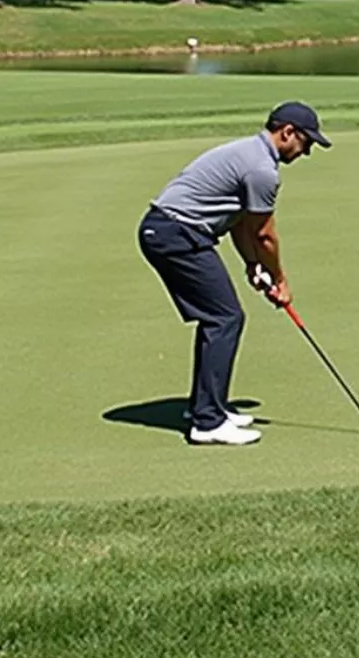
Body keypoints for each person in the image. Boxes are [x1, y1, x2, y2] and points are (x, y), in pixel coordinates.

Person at [137, 101, 331, 446]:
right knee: (224, 318)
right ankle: (207, 423)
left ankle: (205, 407)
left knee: (220, 317)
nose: (307, 151)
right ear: (287, 132)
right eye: (306, 142)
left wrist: (252, 265)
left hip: (173, 232)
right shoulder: (262, 170)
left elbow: (242, 223)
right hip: (175, 235)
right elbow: (264, 235)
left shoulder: (250, 153)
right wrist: (281, 280)